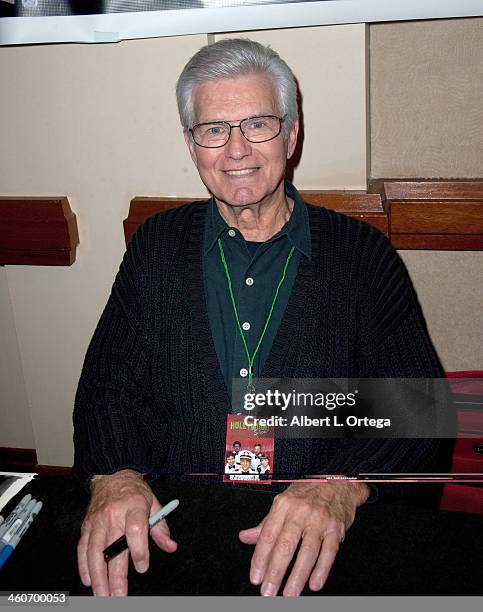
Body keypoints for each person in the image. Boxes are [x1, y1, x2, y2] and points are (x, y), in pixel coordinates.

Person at [73, 38, 450, 597]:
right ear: (191, 144)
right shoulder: (155, 246)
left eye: (258, 123)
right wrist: (114, 475)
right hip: (175, 530)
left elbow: (420, 409)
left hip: (315, 544)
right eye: (214, 129)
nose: (237, 149)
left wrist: (339, 487)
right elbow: (108, 388)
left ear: (292, 134)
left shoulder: (362, 256)